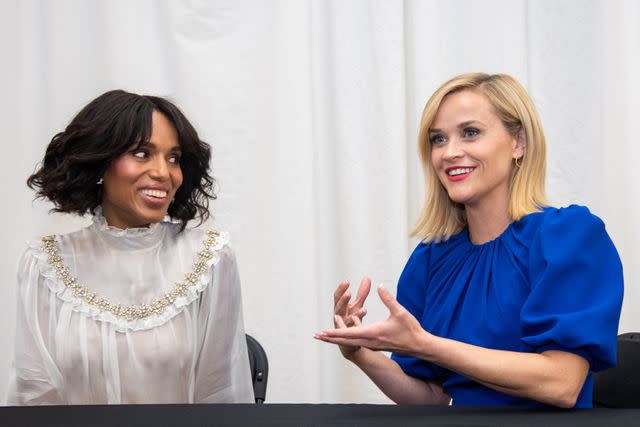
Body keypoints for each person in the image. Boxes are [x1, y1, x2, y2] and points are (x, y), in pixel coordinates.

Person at [315, 73, 623, 408]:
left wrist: (426, 344)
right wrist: (360, 353)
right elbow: (430, 398)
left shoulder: (569, 237)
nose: (449, 153)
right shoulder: (433, 258)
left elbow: (561, 384)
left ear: (518, 142)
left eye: (470, 133)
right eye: (438, 139)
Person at [7, 90, 254, 405]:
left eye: (174, 158)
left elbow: (222, 395)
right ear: (100, 162)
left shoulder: (209, 258)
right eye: (142, 153)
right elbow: (34, 396)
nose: (164, 173)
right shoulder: (44, 264)